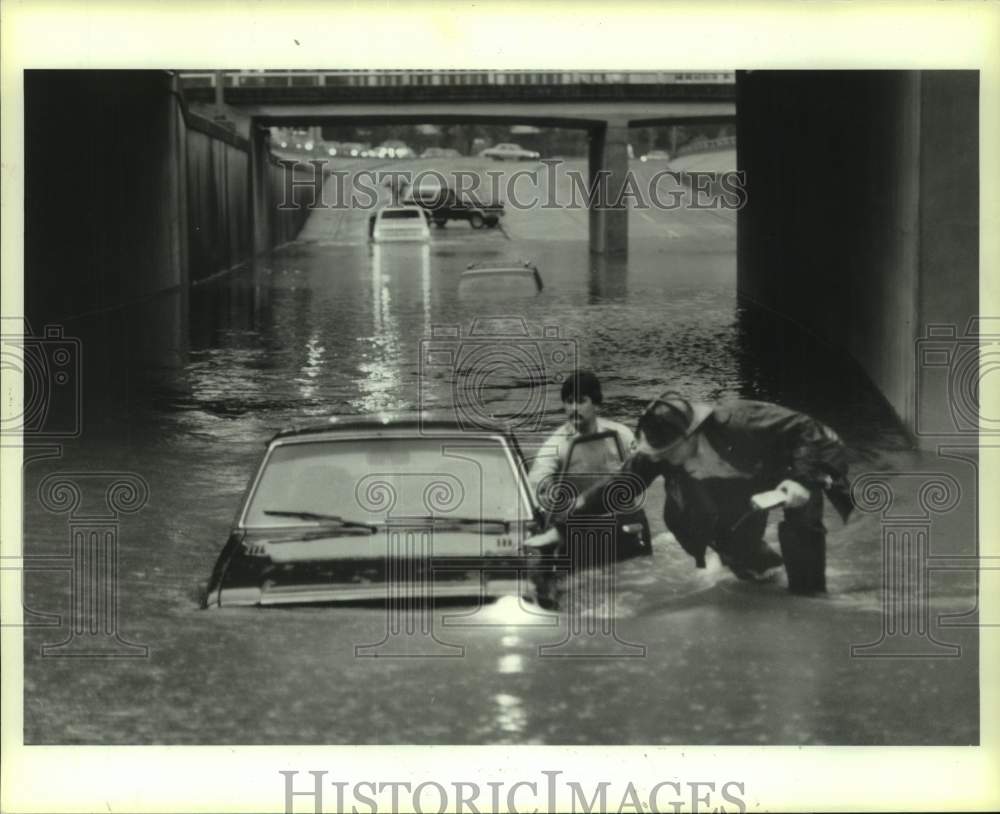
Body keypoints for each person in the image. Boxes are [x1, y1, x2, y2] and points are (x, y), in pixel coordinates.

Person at [565, 392, 853, 595]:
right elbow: (621, 485)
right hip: (737, 486)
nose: (664, 459)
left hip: (791, 470)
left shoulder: (742, 420)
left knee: (805, 570)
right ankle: (769, 576)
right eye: (658, 454)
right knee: (746, 565)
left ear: (691, 435)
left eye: (669, 452)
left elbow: (812, 431)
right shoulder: (659, 454)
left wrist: (802, 480)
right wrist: (563, 526)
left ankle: (809, 598)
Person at [527, 371, 636, 505]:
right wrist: (547, 489)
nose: (574, 408)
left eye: (580, 401)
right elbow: (538, 482)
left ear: (596, 404)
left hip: (616, 508)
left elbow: (640, 467)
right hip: (576, 515)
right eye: (569, 402)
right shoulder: (555, 445)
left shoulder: (621, 434)